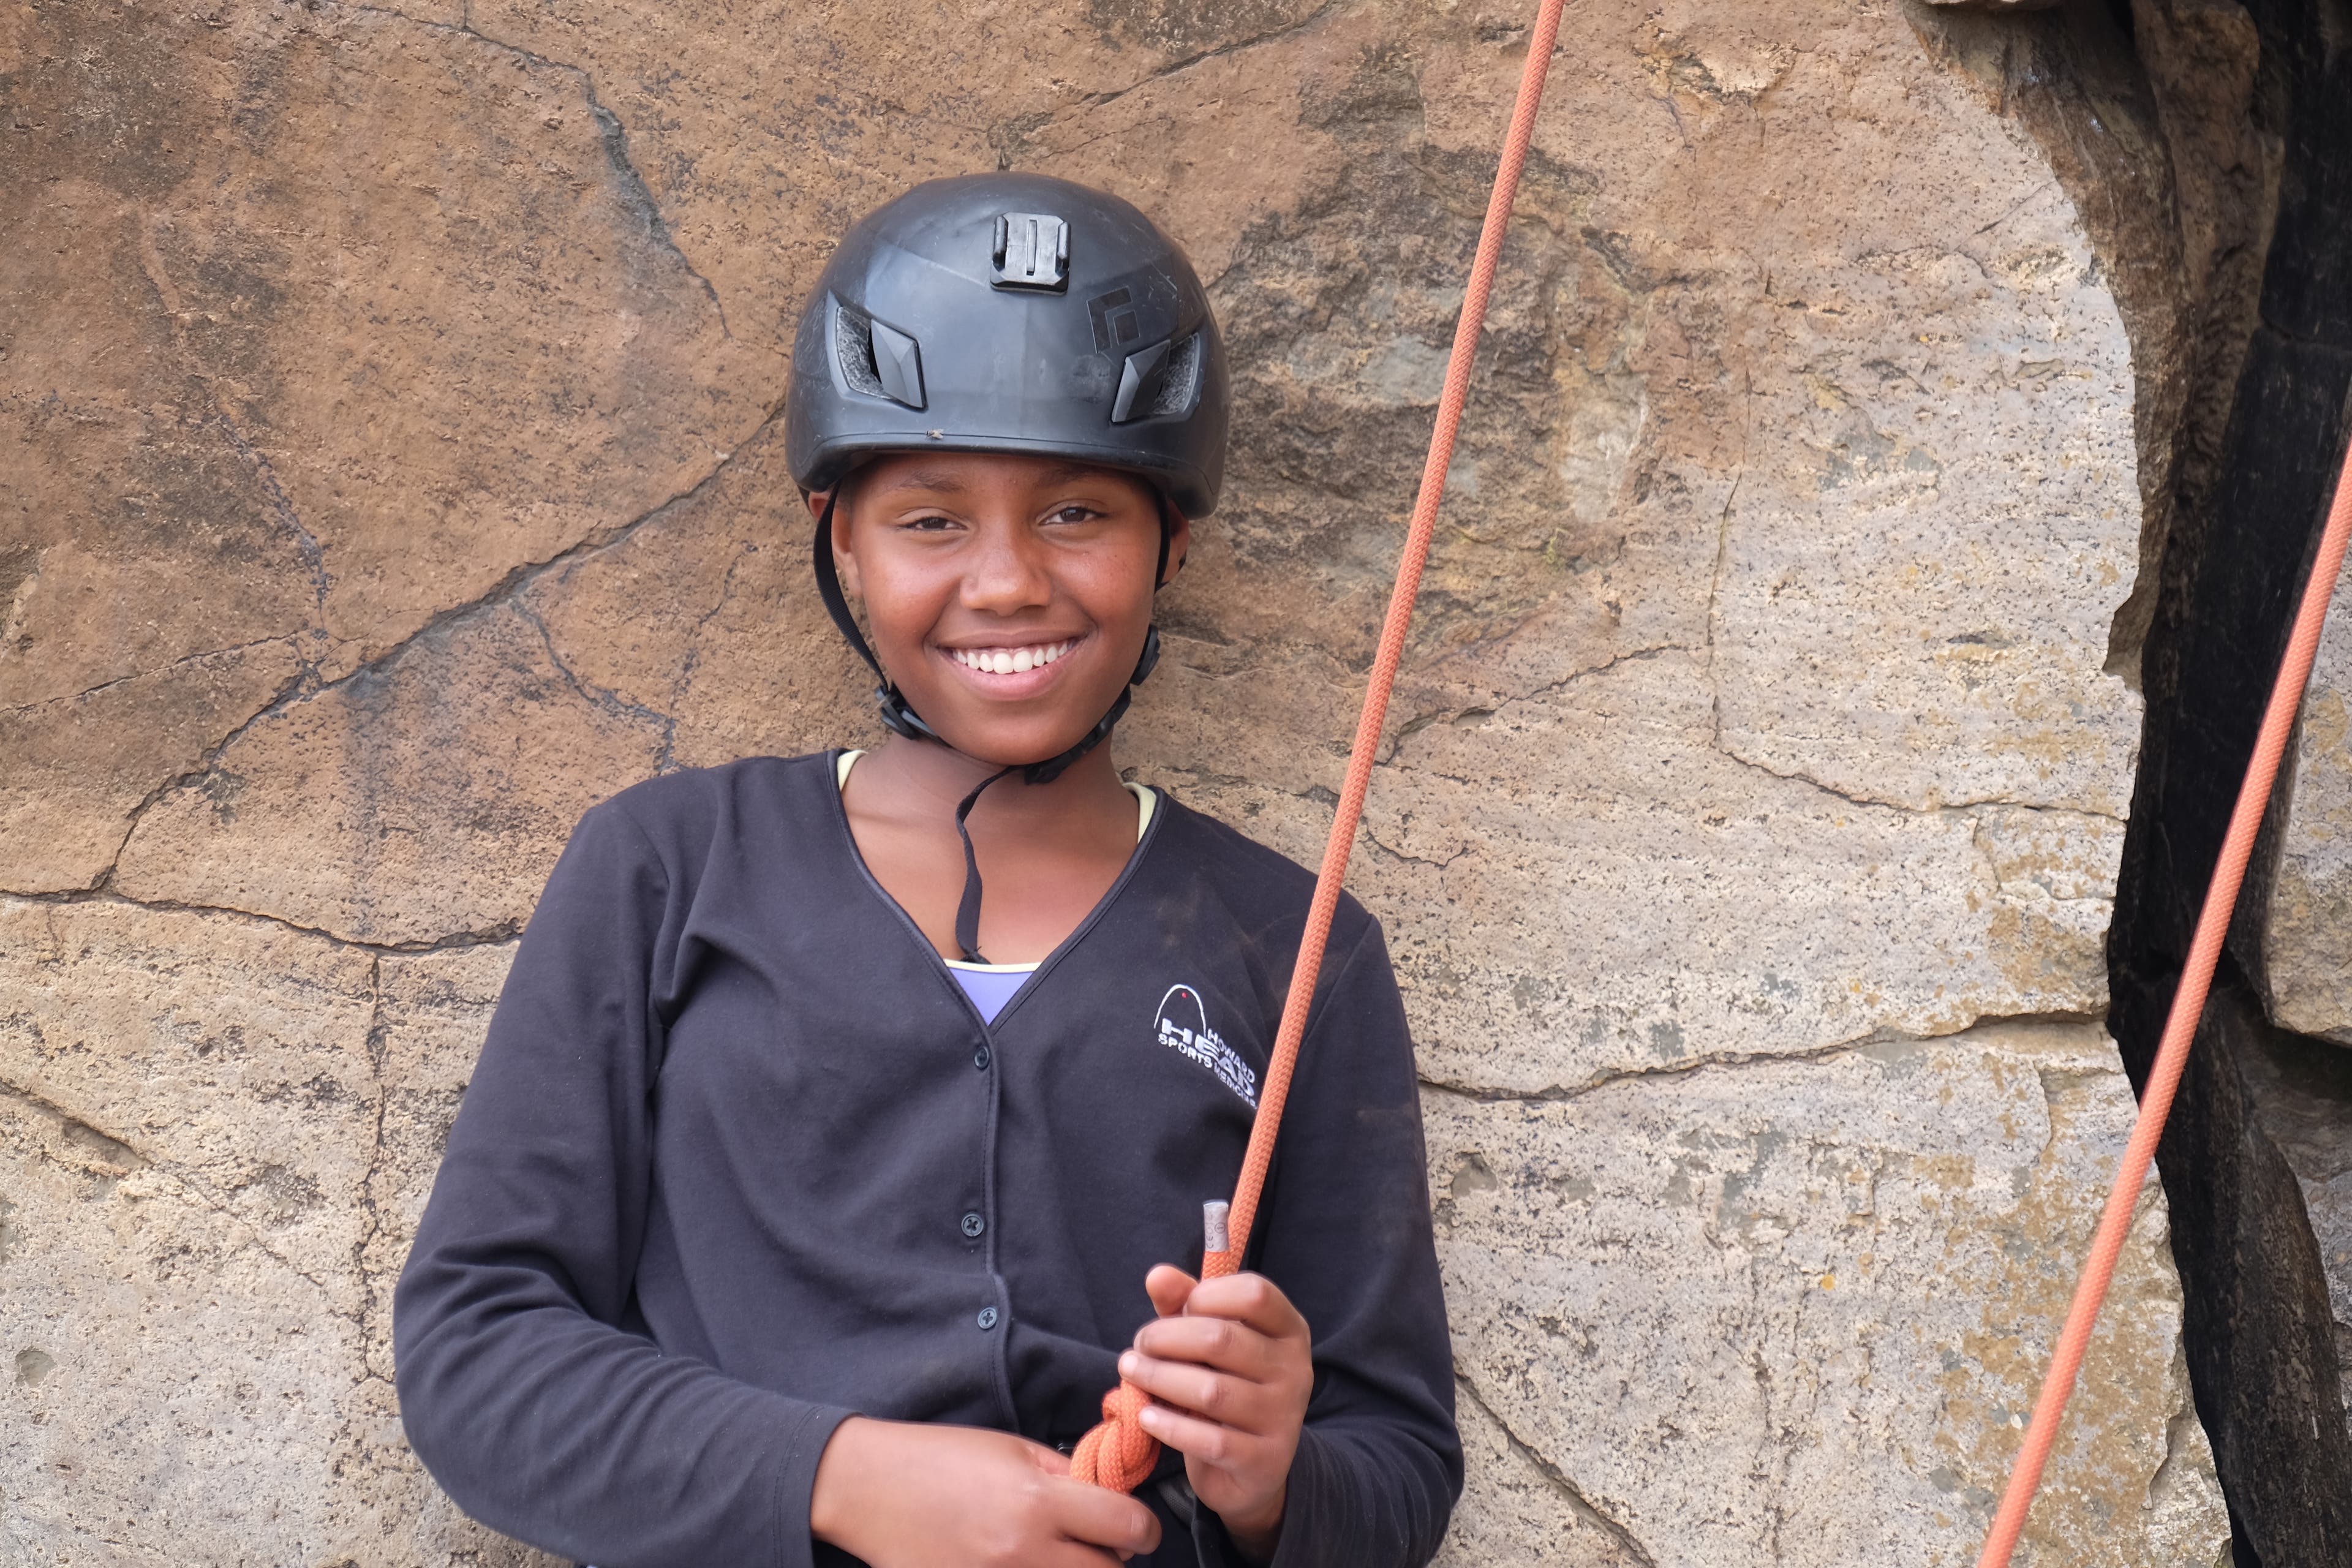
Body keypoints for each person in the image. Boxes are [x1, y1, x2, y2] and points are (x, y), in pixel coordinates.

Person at [393, 172, 1460, 1568]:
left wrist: (1272, 1476)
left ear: (1172, 547)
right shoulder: (666, 869)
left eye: (1080, 512)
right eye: (932, 518)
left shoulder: (1295, 943)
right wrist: (841, 1476)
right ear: (842, 539)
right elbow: (477, 1353)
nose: (1009, 580)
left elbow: (1397, 1465)